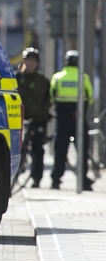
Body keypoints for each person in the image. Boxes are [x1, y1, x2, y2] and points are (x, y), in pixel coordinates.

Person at [49, 50, 94, 191]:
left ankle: (56, 181)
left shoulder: (57, 77)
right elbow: (90, 98)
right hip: (78, 119)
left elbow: (52, 97)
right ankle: (83, 181)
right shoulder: (83, 78)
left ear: (66, 61)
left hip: (62, 119)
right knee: (82, 150)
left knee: (60, 150)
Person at [15, 47, 51, 188]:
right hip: (19, 119)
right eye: (28, 61)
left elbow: (49, 98)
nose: (31, 64)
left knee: (37, 149)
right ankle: (15, 174)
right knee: (18, 148)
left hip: (38, 119)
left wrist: (43, 111)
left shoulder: (42, 80)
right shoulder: (16, 78)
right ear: (24, 61)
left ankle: (37, 178)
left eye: (34, 61)